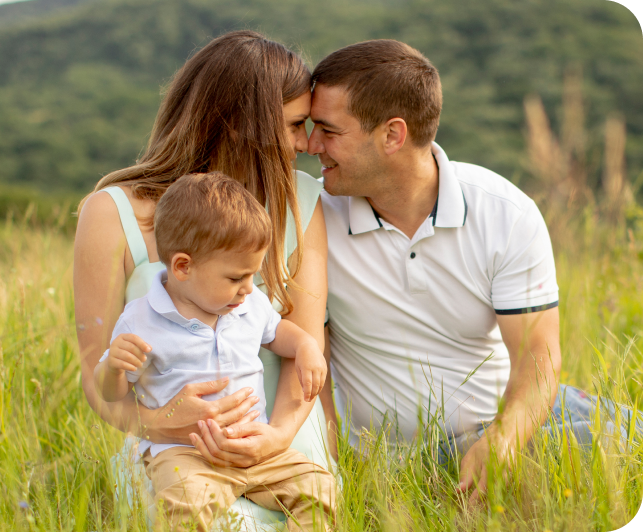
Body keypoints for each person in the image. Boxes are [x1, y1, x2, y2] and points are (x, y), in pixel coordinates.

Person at [73, 30, 331, 526]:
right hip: (171, 452)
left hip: (280, 434)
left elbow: (306, 346)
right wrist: (164, 425)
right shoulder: (112, 213)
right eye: (296, 125)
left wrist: (276, 437)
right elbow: (95, 374)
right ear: (240, 125)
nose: (306, 144)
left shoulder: (301, 200)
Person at [308, 39, 565, 502]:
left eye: (328, 131)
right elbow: (312, 367)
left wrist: (504, 440)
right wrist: (332, 472)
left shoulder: (505, 213)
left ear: (392, 135)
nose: (311, 145)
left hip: (503, 427)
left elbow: (539, 359)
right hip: (388, 460)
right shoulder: (312, 221)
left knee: (626, 440)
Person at [94, 173, 335, 531]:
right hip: (186, 454)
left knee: (319, 487)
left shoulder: (249, 304)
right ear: (183, 267)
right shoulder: (141, 320)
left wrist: (305, 346)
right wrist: (113, 367)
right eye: (237, 278)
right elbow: (110, 394)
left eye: (252, 276)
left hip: (254, 447)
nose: (249, 288)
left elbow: (277, 332)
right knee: (182, 508)